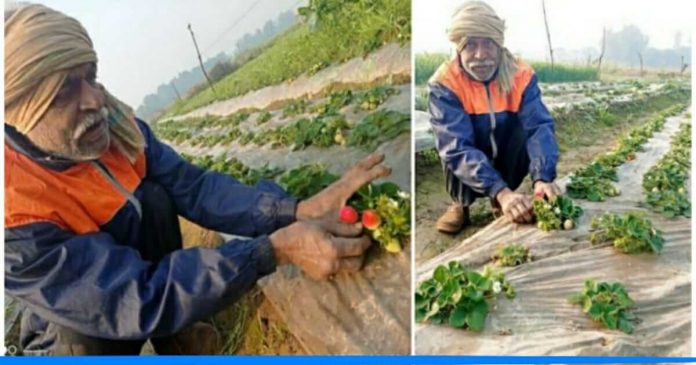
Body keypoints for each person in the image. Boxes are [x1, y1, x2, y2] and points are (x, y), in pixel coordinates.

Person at [4, 4, 389, 355]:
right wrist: (271, 250)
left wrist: (296, 209)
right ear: (21, 113)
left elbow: (194, 187)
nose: (93, 100)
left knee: (155, 198)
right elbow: (128, 298)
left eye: (90, 75)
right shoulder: (13, 215)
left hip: (133, 276)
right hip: (84, 316)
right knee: (79, 342)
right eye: (63, 91)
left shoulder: (116, 131)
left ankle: (176, 333)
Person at [428, 1, 561, 233]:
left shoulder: (521, 74)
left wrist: (542, 178)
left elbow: (539, 127)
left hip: (505, 147)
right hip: (470, 147)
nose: (481, 55)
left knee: (523, 129)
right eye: (471, 45)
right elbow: (457, 148)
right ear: (459, 48)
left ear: (499, 44)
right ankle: (461, 203)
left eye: (488, 43)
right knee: (451, 145)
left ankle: (501, 196)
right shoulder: (445, 84)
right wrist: (502, 192)